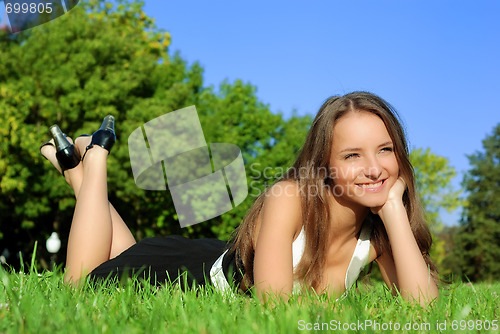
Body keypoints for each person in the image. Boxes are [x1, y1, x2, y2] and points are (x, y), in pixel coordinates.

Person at [40, 91, 439, 305]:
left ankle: (74, 167)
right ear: (324, 164)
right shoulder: (288, 196)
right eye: (352, 155)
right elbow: (274, 305)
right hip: (181, 279)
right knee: (81, 285)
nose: (374, 168)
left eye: (385, 150)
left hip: (210, 255)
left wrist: (394, 211)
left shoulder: (378, 228)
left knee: (122, 252)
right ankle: (94, 162)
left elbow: (424, 309)